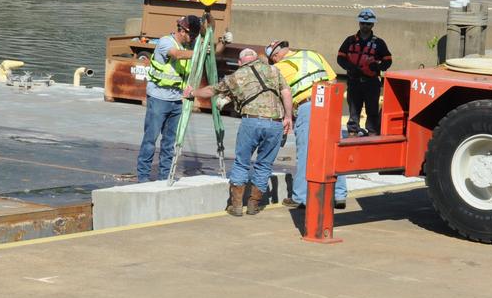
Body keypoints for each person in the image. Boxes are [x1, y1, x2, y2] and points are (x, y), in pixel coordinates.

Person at [186, 47, 292, 216]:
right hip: (275, 123)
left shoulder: (237, 76)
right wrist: (288, 116)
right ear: (256, 58)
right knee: (264, 164)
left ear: (240, 62)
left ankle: (236, 205)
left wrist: (192, 92)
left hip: (251, 121)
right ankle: (253, 204)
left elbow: (211, 91)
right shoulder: (273, 70)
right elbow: (286, 93)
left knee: (242, 162)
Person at [266, 40, 346, 210]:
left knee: (306, 152)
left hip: (308, 106)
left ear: (275, 56)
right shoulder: (312, 54)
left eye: (273, 59)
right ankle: (339, 194)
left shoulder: (280, 67)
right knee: (335, 149)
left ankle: (301, 197)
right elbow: (333, 78)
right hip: (331, 102)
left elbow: (276, 94)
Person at [136, 14, 200, 182]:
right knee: (150, 139)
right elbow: (177, 54)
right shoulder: (166, 42)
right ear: (183, 31)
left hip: (177, 100)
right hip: (158, 97)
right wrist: (199, 51)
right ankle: (143, 177)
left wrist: (221, 43)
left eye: (194, 37)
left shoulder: (188, 46)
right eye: (191, 35)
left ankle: (164, 177)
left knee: (169, 142)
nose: (192, 39)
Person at [337, 8, 392, 136]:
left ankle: (372, 132)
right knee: (353, 109)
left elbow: (388, 60)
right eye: (362, 23)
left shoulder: (379, 43)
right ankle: (352, 131)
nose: (365, 26)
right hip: (354, 81)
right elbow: (340, 57)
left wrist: (377, 67)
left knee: (372, 109)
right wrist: (350, 67)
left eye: (368, 24)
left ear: (372, 24)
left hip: (371, 83)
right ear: (359, 23)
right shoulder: (350, 40)